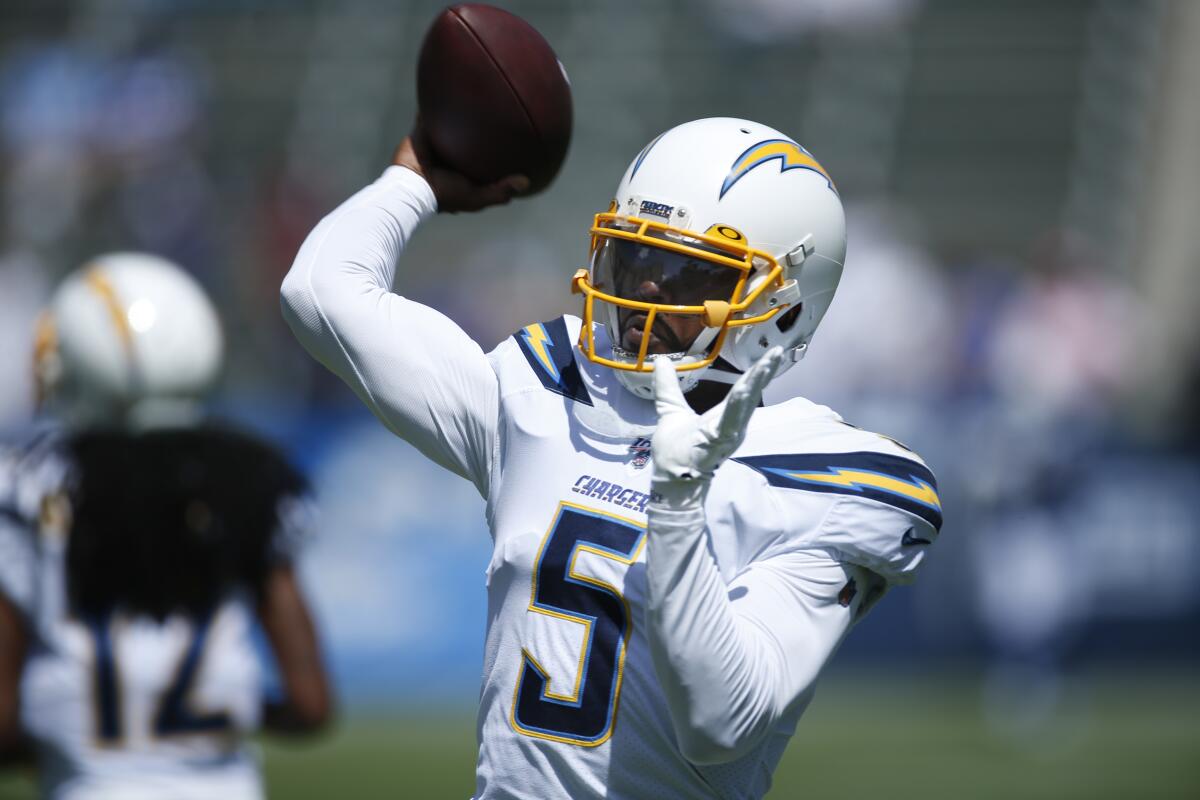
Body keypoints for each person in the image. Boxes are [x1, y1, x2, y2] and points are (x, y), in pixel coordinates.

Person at [281, 117, 941, 799]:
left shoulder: (818, 479)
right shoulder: (544, 391)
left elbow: (722, 725)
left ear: (781, 306)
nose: (647, 290)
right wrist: (412, 183)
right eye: (635, 259)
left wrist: (677, 504)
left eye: (684, 272)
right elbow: (320, 295)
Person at [0, 253, 332, 800]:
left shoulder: (30, 486)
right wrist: (219, 712)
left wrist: (81, 726)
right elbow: (310, 703)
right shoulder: (249, 480)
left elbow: (3, 715)